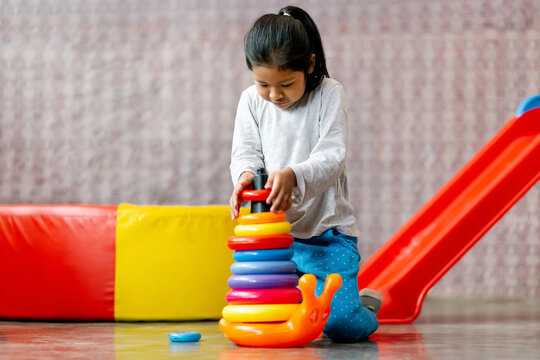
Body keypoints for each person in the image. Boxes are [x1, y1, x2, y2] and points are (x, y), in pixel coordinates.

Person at [229, 5, 381, 342]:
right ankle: (319, 301)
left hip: (328, 237)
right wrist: (243, 178)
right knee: (269, 319)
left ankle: (364, 309)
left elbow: (332, 157)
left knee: (342, 326)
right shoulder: (251, 101)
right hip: (276, 240)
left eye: (285, 83)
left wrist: (293, 175)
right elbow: (246, 153)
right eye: (263, 83)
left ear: (309, 65)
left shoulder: (328, 94)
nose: (274, 95)